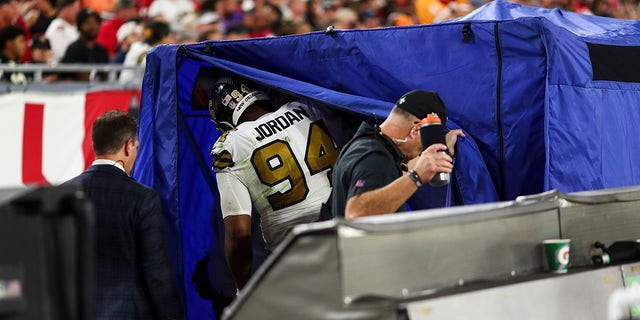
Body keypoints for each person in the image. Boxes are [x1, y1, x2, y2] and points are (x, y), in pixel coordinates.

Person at [209, 77, 340, 291]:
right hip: (346, 234)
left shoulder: (231, 144)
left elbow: (238, 234)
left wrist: (243, 288)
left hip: (293, 257)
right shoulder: (306, 107)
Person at [65, 110, 186, 320]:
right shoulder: (142, 199)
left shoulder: (63, 194)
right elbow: (156, 274)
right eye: (137, 147)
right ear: (128, 146)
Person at [331, 89, 465, 220]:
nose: (422, 151)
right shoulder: (374, 156)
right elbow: (356, 214)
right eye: (424, 144)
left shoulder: (368, 146)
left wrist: (442, 148)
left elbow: (391, 176)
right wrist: (416, 177)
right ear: (416, 129)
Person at [61, 8, 109, 80]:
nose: (92, 26)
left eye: (95, 22)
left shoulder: (102, 51)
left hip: (99, 89)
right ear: (79, 26)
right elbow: (65, 77)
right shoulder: (73, 49)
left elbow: (106, 76)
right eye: (87, 23)